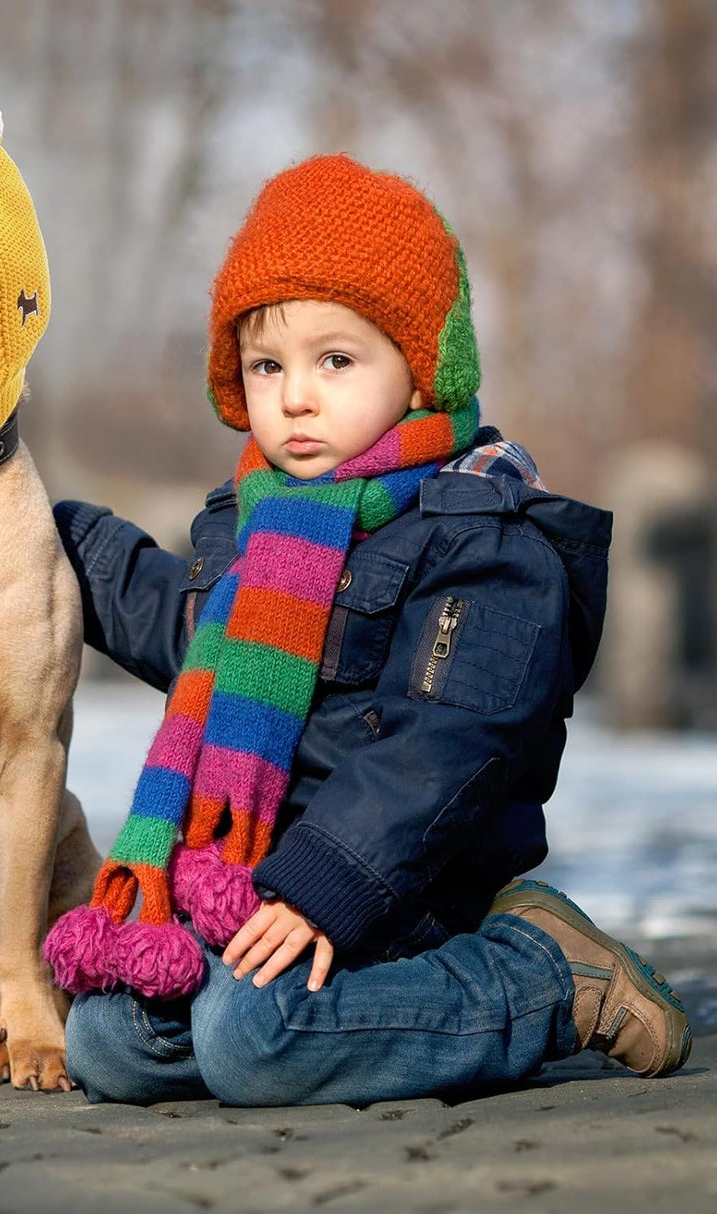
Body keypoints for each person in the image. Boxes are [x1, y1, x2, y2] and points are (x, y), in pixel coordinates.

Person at [42, 155, 691, 1107]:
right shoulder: (260, 522)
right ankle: (268, 1004)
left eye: (335, 360)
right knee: (107, 1041)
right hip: (256, 891)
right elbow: (187, 637)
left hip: (407, 888)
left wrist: (326, 887)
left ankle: (544, 977)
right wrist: (51, 536)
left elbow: (445, 748)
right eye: (268, 366)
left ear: (421, 367)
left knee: (250, 1041)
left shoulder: (481, 537)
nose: (295, 397)